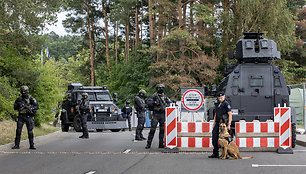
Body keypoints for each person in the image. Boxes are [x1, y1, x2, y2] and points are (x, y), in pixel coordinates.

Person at [12, 86, 39, 150]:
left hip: (28, 116)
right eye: (23, 91)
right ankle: (16, 145)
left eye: (25, 91)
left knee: (30, 131)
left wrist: (31, 108)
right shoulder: (19, 99)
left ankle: (31, 145)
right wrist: (19, 105)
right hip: (21, 116)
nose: (24, 93)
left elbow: (37, 106)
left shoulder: (31, 99)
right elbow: (15, 107)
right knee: (18, 131)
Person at [146, 84, 171, 149]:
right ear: (157, 89)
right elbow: (149, 103)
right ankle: (148, 144)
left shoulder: (165, 97)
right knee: (152, 129)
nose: (161, 89)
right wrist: (155, 103)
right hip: (156, 114)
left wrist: (166, 106)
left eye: (162, 88)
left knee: (162, 130)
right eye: (159, 88)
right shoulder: (154, 96)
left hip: (162, 114)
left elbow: (169, 103)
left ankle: (161, 144)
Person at [208, 91, 232, 158]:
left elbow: (230, 114)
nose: (220, 98)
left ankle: (226, 154)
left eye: (221, 97)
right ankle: (215, 153)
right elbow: (216, 114)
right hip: (218, 123)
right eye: (219, 97)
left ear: (224, 97)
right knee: (214, 137)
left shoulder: (226, 104)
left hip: (224, 124)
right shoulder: (218, 104)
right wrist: (214, 123)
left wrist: (229, 124)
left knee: (225, 139)